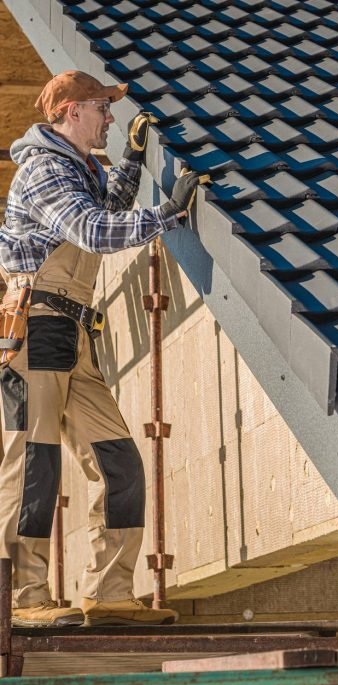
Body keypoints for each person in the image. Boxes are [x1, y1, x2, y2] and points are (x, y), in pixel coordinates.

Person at [0, 70, 202, 627]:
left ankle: (109, 595)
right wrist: (168, 215)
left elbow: (107, 204)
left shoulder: (77, 167)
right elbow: (92, 230)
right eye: (101, 108)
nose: (110, 117)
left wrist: (134, 161)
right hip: (37, 325)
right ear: (69, 111)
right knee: (34, 467)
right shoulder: (42, 170)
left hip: (73, 334)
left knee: (120, 464)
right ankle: (21, 601)